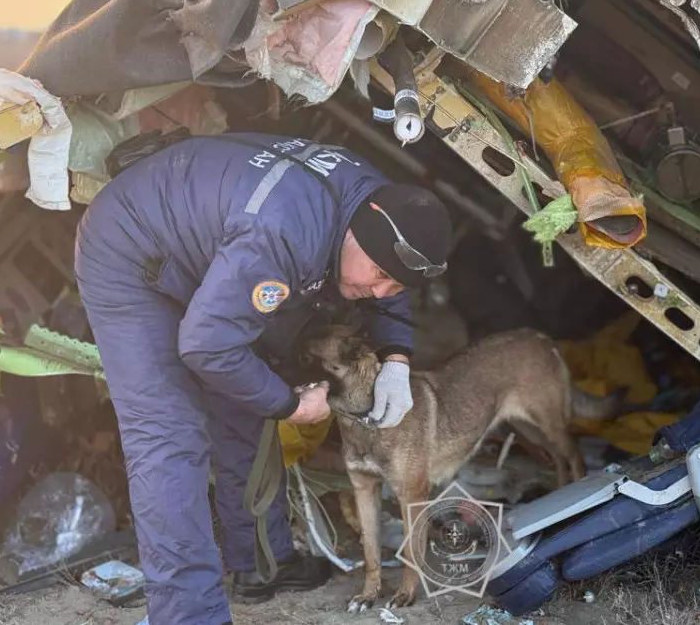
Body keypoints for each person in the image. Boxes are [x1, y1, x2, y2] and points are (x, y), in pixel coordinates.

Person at [72, 132, 454, 625]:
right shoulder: (284, 234)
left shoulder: (381, 207)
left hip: (209, 245)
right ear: (359, 235)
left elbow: (390, 282)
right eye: (378, 274)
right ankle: (189, 615)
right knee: (167, 435)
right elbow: (207, 345)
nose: (379, 291)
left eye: (395, 284)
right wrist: (291, 406)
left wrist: (398, 358)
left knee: (242, 398)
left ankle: (261, 565)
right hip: (129, 250)